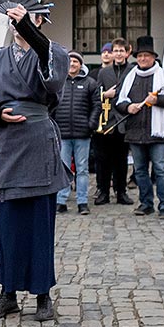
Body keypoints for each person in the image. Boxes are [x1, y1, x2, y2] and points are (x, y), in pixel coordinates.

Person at [0, 4, 70, 322]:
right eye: (14, 21)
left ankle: (43, 295)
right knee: (9, 228)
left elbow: (54, 82)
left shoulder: (53, 53)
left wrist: (30, 29)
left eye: (26, 20)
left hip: (39, 141)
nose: (18, 26)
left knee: (40, 227)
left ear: (39, 21)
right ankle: (8, 293)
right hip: (6, 143)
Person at [114, 36, 164, 219]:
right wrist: (128, 107)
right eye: (140, 55)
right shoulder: (130, 76)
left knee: (160, 169)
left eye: (147, 55)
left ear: (153, 57)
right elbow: (118, 100)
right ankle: (146, 203)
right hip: (135, 131)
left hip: (158, 133)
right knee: (140, 170)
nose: (143, 59)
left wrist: (157, 100)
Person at [52, 50, 100, 215]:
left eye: (76, 62)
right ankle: (61, 200)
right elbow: (51, 106)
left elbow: (96, 105)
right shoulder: (58, 82)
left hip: (82, 134)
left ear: (81, 65)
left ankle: (82, 202)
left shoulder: (90, 83)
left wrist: (91, 124)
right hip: (62, 133)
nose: (72, 64)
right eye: (70, 61)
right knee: (63, 168)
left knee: (82, 169)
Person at [94, 38, 134, 206]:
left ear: (127, 52)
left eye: (121, 51)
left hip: (125, 121)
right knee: (103, 160)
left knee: (121, 160)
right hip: (107, 122)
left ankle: (121, 191)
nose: (118, 54)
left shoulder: (133, 70)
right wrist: (105, 95)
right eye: (115, 51)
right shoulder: (104, 73)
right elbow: (96, 94)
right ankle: (103, 191)